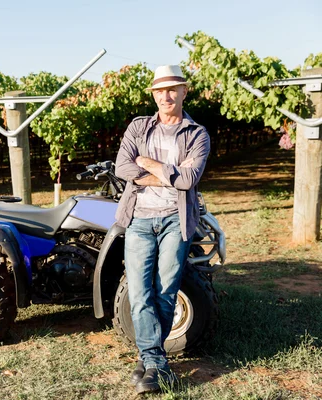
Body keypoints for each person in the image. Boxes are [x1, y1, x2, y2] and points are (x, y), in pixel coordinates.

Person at [114, 65, 210, 394]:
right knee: (140, 294)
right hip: (139, 218)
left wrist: (149, 164)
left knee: (165, 291)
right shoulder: (139, 127)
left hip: (174, 219)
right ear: (153, 95)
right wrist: (168, 173)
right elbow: (123, 166)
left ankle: (151, 361)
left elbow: (188, 180)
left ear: (184, 92)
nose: (165, 96)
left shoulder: (196, 134)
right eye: (159, 91)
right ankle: (155, 362)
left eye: (172, 90)